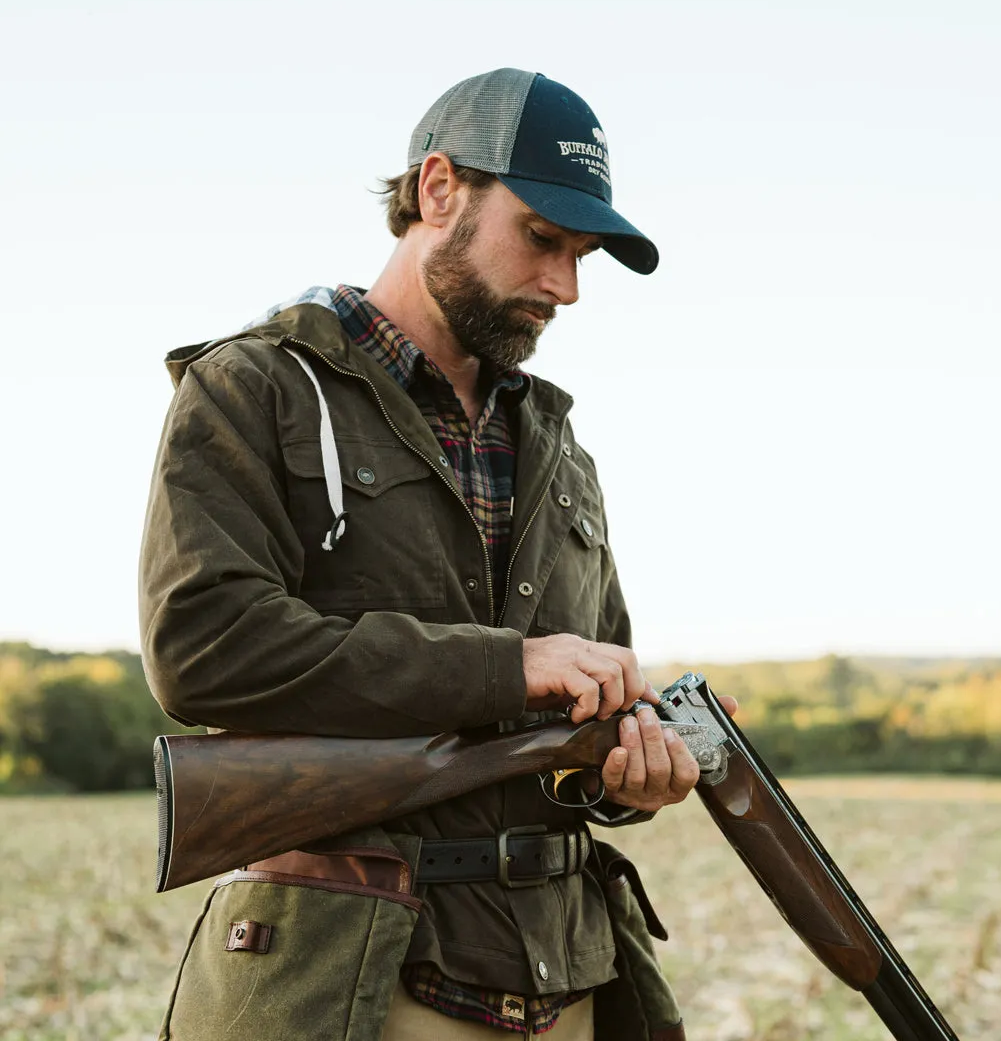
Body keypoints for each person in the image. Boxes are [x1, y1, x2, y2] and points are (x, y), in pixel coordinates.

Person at [139, 67, 736, 1041]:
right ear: (438, 190)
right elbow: (206, 647)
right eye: (542, 240)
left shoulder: (559, 445)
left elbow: (589, 700)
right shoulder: (255, 388)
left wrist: (627, 778)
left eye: (582, 256)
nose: (566, 288)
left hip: (570, 978)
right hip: (357, 978)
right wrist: (507, 668)